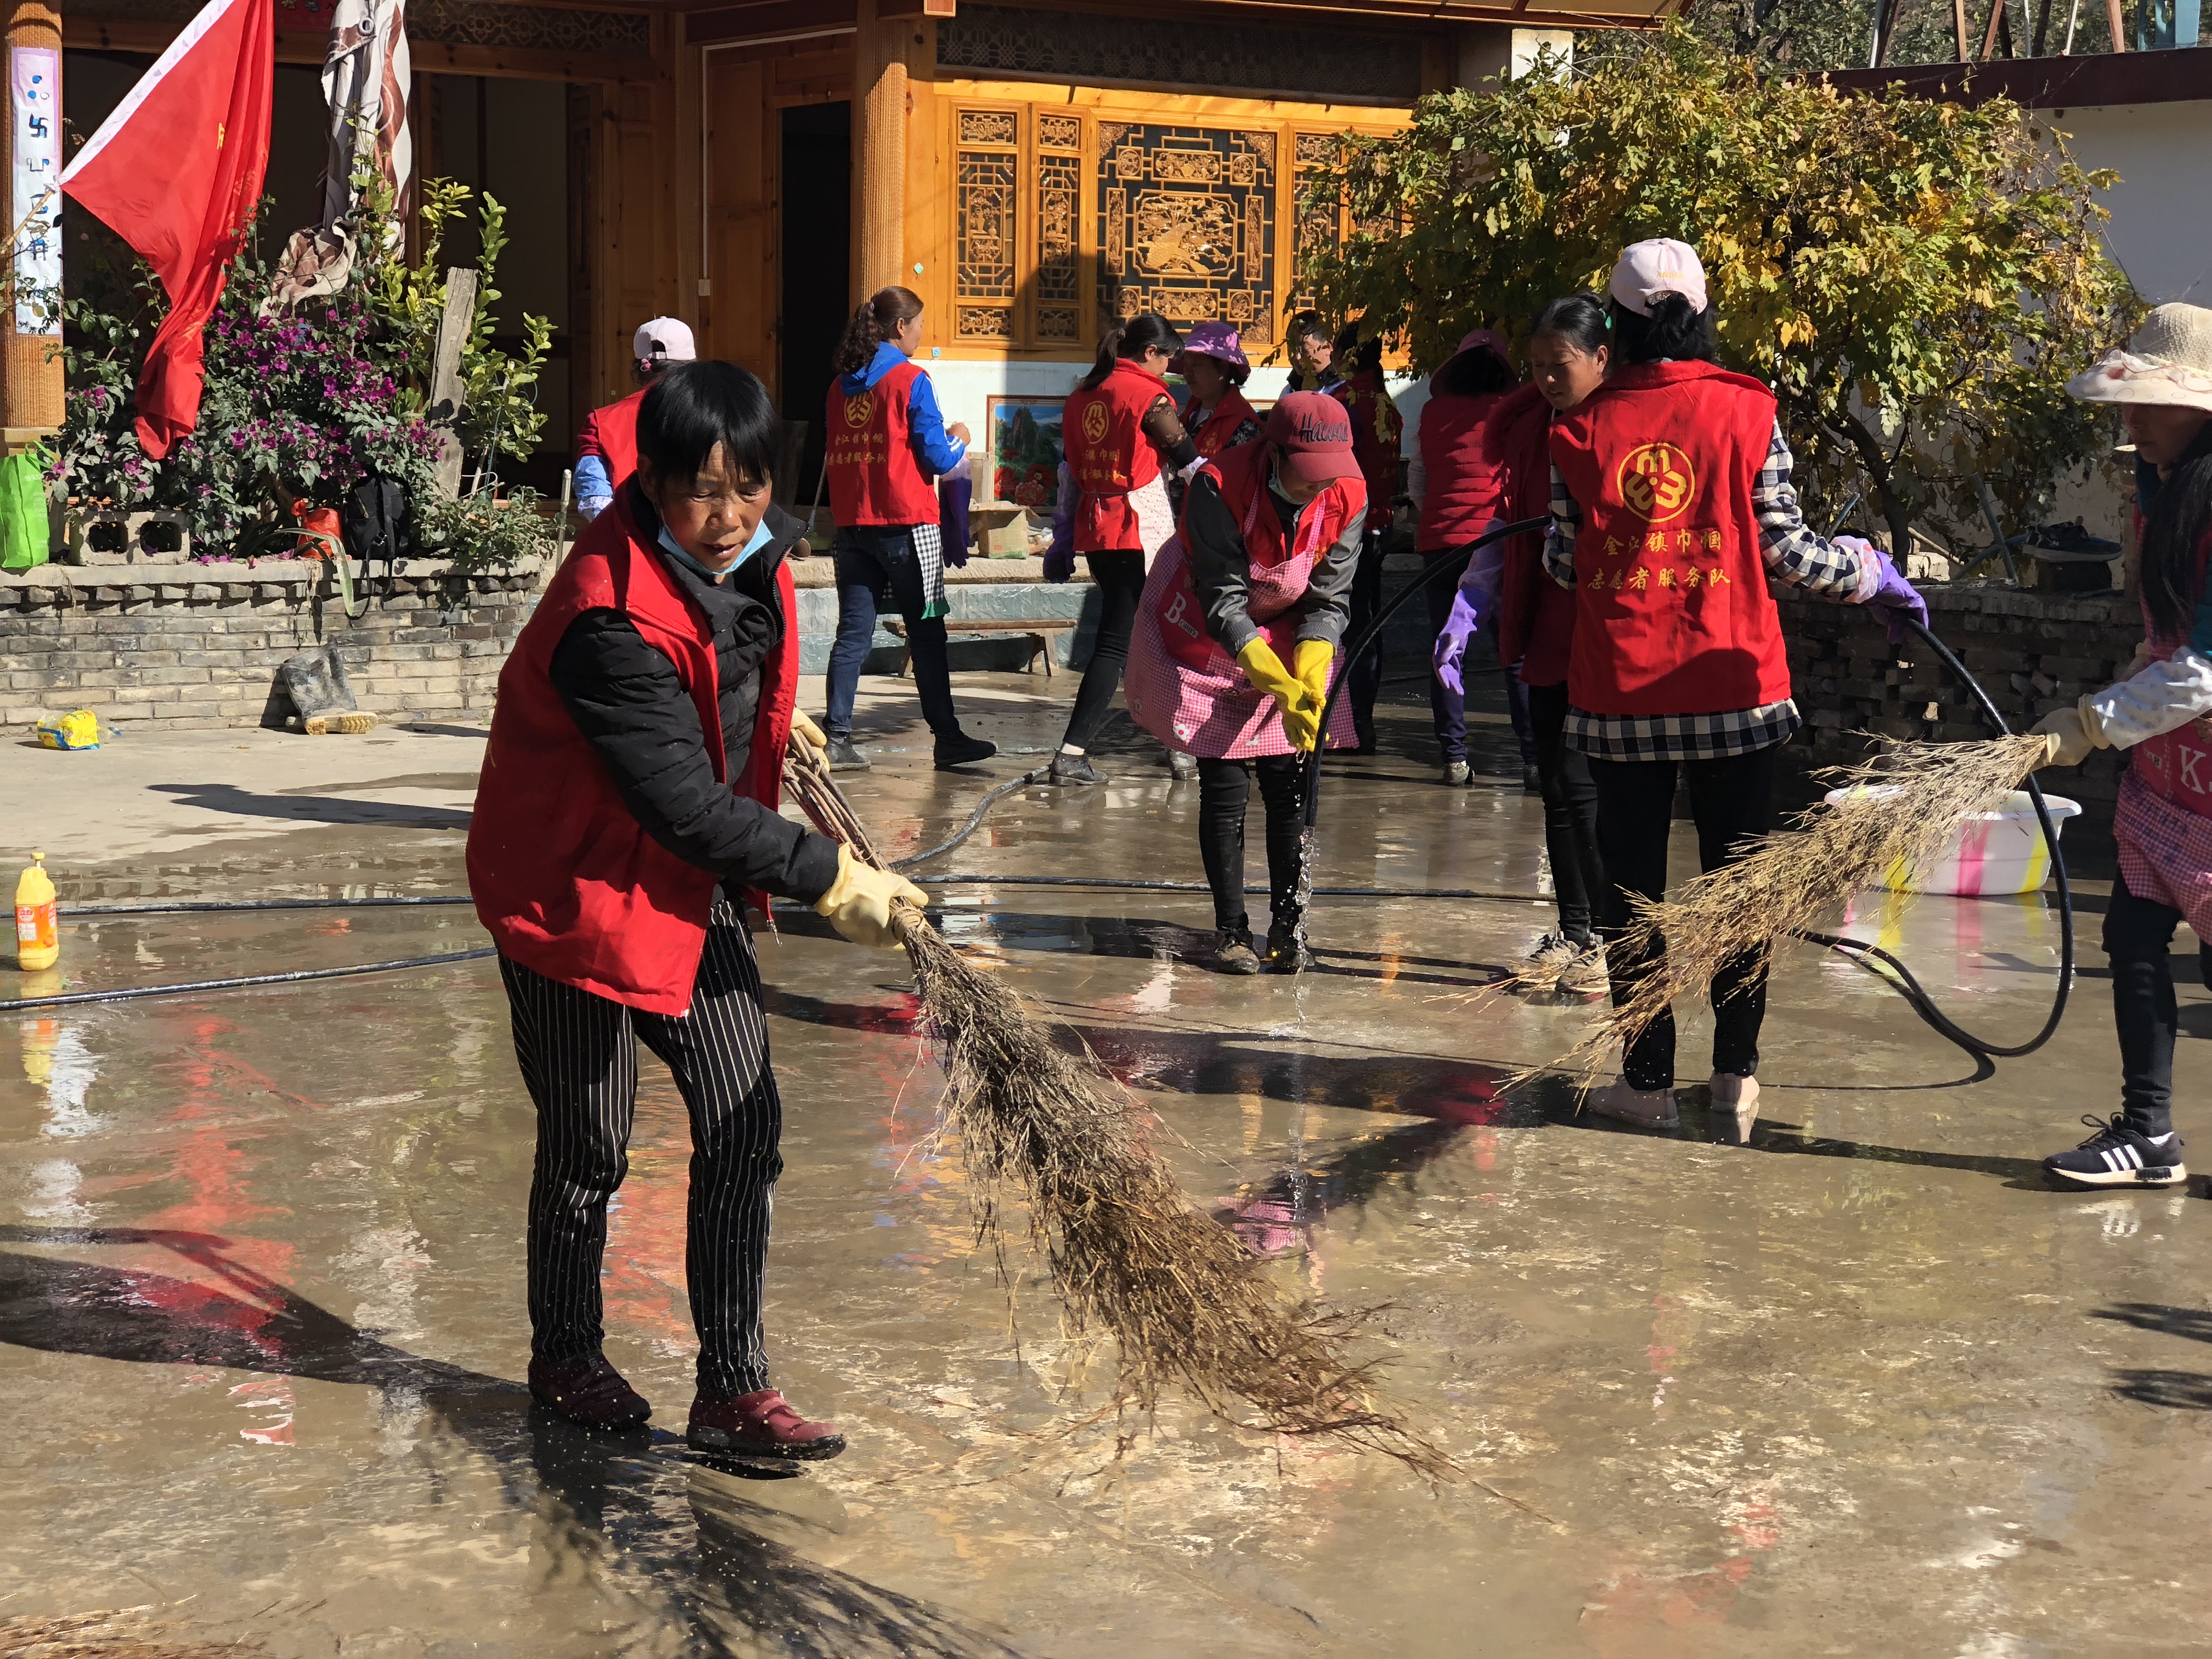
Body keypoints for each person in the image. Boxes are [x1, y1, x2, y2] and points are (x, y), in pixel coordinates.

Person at [469, 361, 929, 1458]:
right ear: (652, 483)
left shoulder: (757, 561)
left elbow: (727, 674)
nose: (724, 519)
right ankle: (567, 1355)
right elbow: (676, 798)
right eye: (697, 492)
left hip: (683, 884)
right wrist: (826, 874)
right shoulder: (604, 617)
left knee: (744, 1121)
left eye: (749, 487)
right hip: (573, 895)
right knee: (589, 1150)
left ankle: (735, 1390)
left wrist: (772, 730)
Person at [1545, 240, 1925, 1141]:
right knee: (1741, 889)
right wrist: (1868, 570)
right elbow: (1790, 555)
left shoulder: (1578, 428)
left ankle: (1644, 1083)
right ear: (1701, 312)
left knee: (1634, 899)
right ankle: (1734, 1078)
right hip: (1738, 692)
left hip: (1620, 699)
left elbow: (1564, 564)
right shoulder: (1749, 410)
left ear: (1615, 325)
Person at [2031, 302, 2212, 1189]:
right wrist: (2124, 678)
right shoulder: (2163, 492)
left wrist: (2090, 722)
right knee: (2134, 935)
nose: (2130, 420)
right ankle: (2146, 1133)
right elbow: (2170, 644)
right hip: (2169, 777)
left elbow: (2205, 673)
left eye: (2149, 402)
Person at [1124, 392, 1367, 974]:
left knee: (1289, 785)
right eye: (1306, 476)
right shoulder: (1219, 485)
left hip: (1289, 626)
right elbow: (1224, 599)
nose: (1317, 490)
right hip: (1210, 626)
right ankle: (1232, 931)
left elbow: (1329, 596)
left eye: (1326, 478)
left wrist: (1307, 670)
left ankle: (1288, 928)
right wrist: (1269, 678)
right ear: (1273, 453)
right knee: (1226, 783)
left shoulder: (1349, 493)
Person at [1432, 300, 1612, 997]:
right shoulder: (1530, 429)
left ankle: (1608, 939)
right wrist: (1469, 603)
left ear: (1601, 357)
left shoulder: (1619, 428)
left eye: (1557, 366)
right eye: (1535, 368)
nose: (1544, 380)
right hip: (1544, 626)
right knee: (1560, 788)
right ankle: (1574, 935)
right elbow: (1510, 524)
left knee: (1593, 787)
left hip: (1606, 630)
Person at [819, 286, 997, 772]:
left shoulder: (840, 388)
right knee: (926, 636)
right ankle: (947, 737)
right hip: (907, 527)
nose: (921, 333)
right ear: (901, 327)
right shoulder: (911, 380)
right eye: (919, 324)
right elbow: (937, 457)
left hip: (854, 526)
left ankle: (836, 738)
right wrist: (959, 439)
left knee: (852, 634)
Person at [1043, 314, 1199, 786]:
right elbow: (1187, 459)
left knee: (1139, 637)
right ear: (1150, 352)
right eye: (1168, 357)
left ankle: (1177, 747)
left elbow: (1068, 473)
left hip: (1098, 530)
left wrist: (1063, 536)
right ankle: (1073, 753)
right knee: (1125, 642)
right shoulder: (1147, 396)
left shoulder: (1081, 397)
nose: (1169, 368)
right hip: (1138, 528)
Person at [1409, 329, 1520, 787]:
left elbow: (1419, 480)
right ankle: (1534, 757)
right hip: (1497, 543)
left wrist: (1437, 516)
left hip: (1440, 544)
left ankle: (1454, 757)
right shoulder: (1513, 413)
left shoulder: (1432, 414)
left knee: (1447, 651)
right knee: (1513, 652)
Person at [1331, 330, 1404, 754]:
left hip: (1344, 526)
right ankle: (1363, 719)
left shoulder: (1342, 403)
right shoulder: (1387, 407)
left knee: (1339, 622)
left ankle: (1343, 719)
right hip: (1379, 522)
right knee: (1368, 622)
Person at [573, 318, 695, 520]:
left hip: (628, 542)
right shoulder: (718, 412)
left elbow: (594, 500)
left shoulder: (602, 421)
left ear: (640, 368)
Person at [1175, 321, 1263, 466]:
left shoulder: (1244, 425)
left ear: (1222, 368)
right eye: (1186, 366)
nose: (1187, 374)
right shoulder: (1190, 413)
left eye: (1196, 365)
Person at [1283, 311, 1343, 395]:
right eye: (1292, 349)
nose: (1297, 357)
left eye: (1305, 350)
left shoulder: (1343, 390)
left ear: (1329, 346)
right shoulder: (1289, 391)